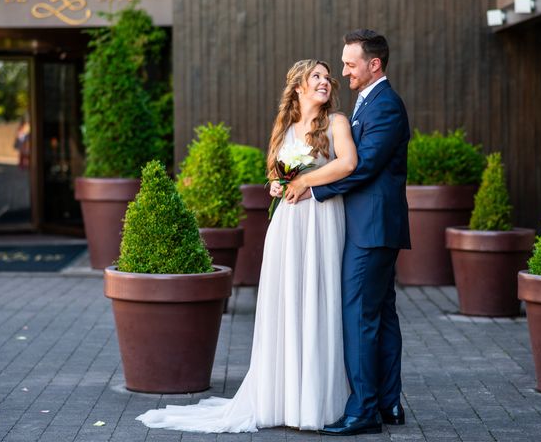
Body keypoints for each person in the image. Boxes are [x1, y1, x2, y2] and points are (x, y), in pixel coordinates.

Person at [136, 59, 357, 433]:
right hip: (287, 223)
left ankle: (316, 400)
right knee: (287, 302)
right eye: (315, 76)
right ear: (299, 86)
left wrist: (305, 183)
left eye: (326, 76)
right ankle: (282, 397)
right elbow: (275, 171)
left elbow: (349, 164)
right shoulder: (284, 126)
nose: (325, 81)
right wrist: (277, 184)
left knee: (319, 299)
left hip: (322, 219)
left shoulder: (337, 122)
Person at [285, 29, 411, 436]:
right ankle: (389, 403)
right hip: (370, 226)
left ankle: (362, 412)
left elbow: (364, 165)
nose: (343, 71)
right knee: (382, 316)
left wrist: (311, 187)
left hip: (371, 229)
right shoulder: (366, 102)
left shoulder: (386, 105)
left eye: (350, 64)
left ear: (374, 64)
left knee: (359, 317)